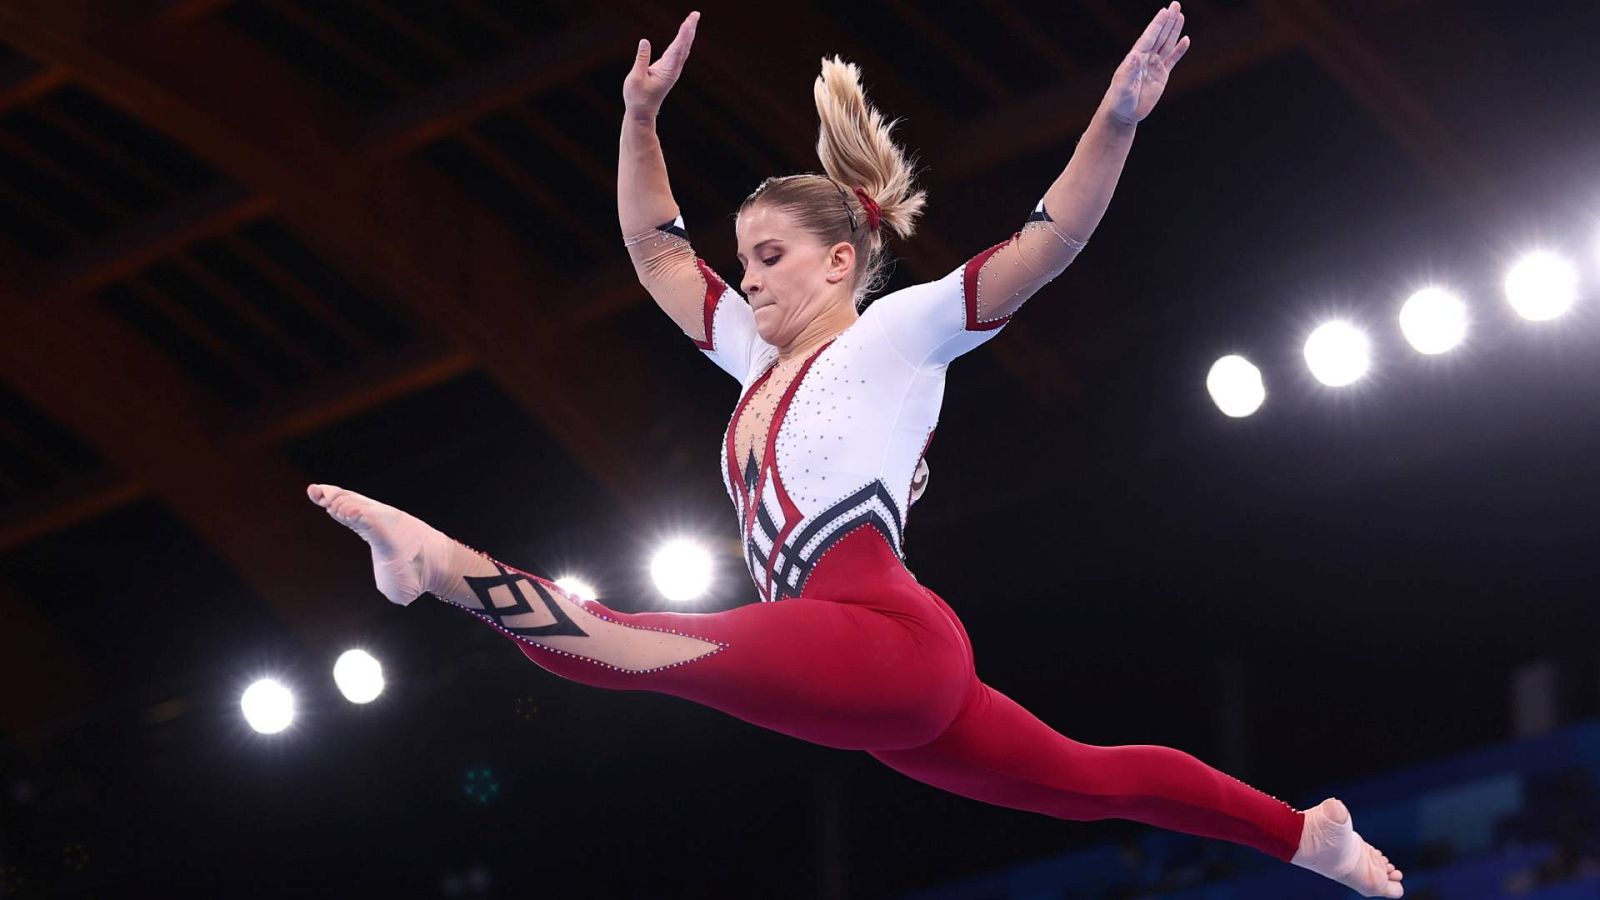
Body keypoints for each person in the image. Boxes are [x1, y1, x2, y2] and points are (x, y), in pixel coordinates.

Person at [308, 5, 1403, 895]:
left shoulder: (899, 331)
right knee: (1090, 779)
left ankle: (437, 564)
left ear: (841, 261)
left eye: (771, 255)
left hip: (877, 635)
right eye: (743, 260)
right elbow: (652, 245)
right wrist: (640, 120)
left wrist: (1114, 122)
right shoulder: (750, 358)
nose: (750, 279)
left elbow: (1049, 242)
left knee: (623, 645)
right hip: (873, 678)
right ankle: (1312, 838)